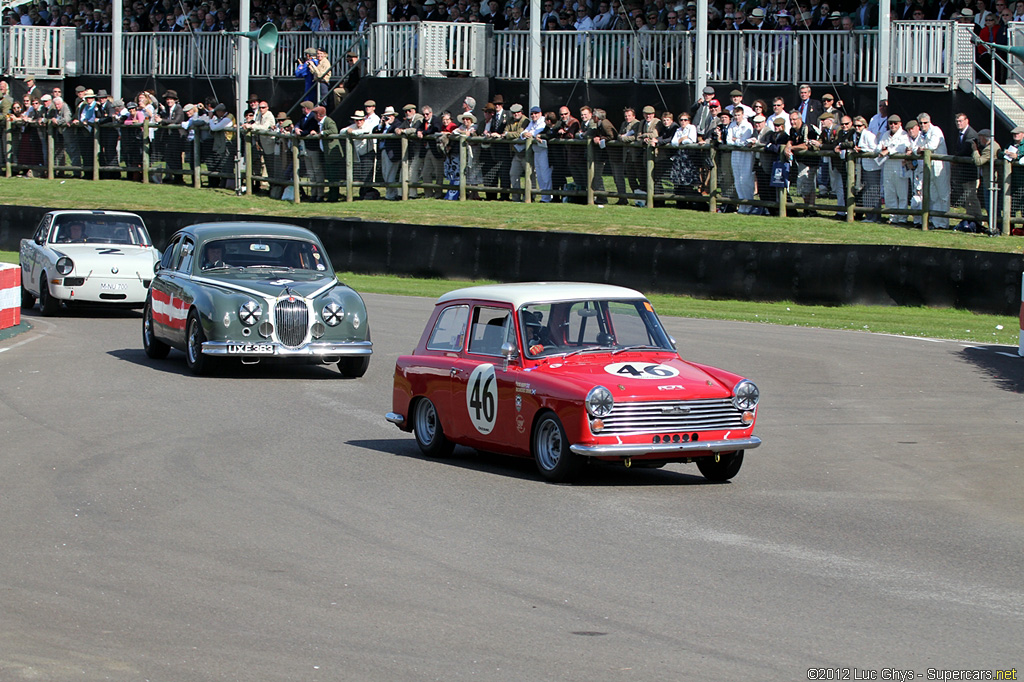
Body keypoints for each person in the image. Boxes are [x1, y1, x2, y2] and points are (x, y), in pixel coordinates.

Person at [915, 112, 951, 229]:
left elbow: (932, 145)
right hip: (928, 167)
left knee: (943, 195)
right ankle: (936, 223)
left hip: (940, 167)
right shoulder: (921, 134)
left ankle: (944, 223)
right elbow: (915, 148)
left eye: (925, 123)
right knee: (933, 195)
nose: (923, 125)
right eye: (921, 123)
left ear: (929, 122)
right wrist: (919, 149)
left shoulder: (936, 131)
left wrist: (922, 149)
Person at [876, 114, 911, 224]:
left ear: (900, 124)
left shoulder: (904, 134)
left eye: (895, 123)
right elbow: (878, 146)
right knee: (889, 193)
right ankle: (893, 217)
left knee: (902, 194)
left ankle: (902, 218)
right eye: (891, 123)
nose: (893, 125)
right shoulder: (886, 134)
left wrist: (889, 150)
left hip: (899, 167)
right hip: (887, 166)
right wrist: (881, 148)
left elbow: (902, 147)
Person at [951, 112, 982, 219]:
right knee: (968, 197)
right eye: (957, 121)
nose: (958, 123)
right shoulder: (961, 133)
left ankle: (977, 219)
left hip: (970, 173)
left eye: (960, 121)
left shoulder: (971, 134)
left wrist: (955, 158)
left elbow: (966, 150)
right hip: (963, 172)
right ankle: (970, 218)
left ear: (966, 121)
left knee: (971, 196)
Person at [971, 129, 1002, 234]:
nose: (979, 140)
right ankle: (994, 226)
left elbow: (979, 161)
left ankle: (996, 227)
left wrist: (975, 150)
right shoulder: (992, 146)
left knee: (991, 206)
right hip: (989, 180)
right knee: (991, 206)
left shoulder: (989, 149)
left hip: (990, 181)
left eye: (980, 138)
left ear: (984, 137)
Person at [726, 105, 755, 213]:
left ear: (743, 115)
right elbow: (729, 140)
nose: (737, 117)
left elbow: (744, 142)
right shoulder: (732, 125)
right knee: (737, 179)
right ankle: (742, 206)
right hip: (735, 154)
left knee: (745, 179)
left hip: (746, 155)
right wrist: (737, 140)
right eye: (735, 115)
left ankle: (749, 204)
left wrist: (736, 140)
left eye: (739, 115)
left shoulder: (747, 126)